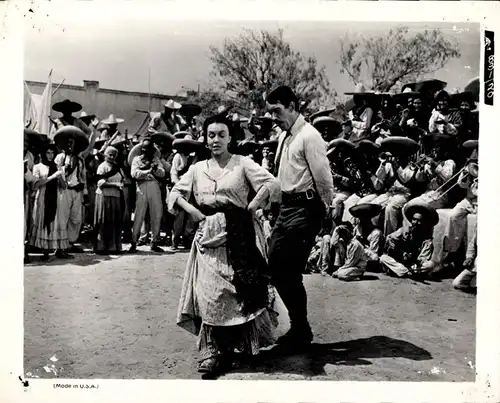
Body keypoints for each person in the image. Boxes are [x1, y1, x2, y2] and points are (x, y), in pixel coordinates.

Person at [168, 113, 281, 376]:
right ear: (205, 139)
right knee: (209, 292)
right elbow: (175, 193)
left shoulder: (242, 163)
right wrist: (192, 211)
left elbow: (271, 183)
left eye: (221, 134)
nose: (216, 140)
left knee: (239, 289)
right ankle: (211, 352)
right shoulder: (197, 169)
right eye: (211, 135)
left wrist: (252, 206)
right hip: (208, 235)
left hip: (239, 233)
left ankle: (238, 347)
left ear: (230, 137)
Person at [266, 86, 334, 348]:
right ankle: (300, 329)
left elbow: (324, 179)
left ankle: (300, 329)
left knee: (282, 268)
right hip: (286, 209)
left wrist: (327, 212)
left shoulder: (310, 136)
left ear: (292, 106)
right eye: (271, 111)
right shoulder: (285, 136)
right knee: (282, 270)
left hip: (304, 210)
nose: (273, 116)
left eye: (277, 110)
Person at [54, 126, 96, 253]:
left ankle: (70, 243)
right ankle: (59, 245)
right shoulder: (60, 158)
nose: (70, 146)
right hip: (64, 190)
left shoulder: (79, 159)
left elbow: (83, 177)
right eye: (68, 143)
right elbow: (57, 174)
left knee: (76, 219)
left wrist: (85, 193)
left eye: (72, 143)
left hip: (77, 191)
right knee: (62, 217)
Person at [28, 144, 70, 261]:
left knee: (55, 222)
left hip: (55, 197)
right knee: (43, 220)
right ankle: (44, 250)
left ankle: (57, 249)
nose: (50, 156)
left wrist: (60, 175)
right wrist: (52, 177)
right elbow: (36, 184)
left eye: (52, 153)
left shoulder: (56, 166)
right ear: (44, 154)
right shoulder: (38, 167)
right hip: (43, 196)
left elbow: (63, 186)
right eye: (48, 153)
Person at [380, 201, 438, 278]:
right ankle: (406, 272)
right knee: (383, 258)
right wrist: (399, 251)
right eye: (414, 219)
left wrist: (414, 260)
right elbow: (389, 238)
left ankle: (406, 271)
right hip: (400, 261)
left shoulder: (427, 240)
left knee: (429, 265)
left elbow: (423, 258)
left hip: (414, 264)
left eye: (419, 220)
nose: (416, 222)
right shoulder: (403, 230)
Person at [129, 139, 166, 253]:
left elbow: (162, 173)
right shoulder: (136, 160)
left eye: (149, 149)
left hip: (154, 186)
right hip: (142, 187)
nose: (146, 151)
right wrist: (148, 171)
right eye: (144, 148)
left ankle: (154, 242)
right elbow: (134, 173)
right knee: (139, 214)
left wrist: (155, 170)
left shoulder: (156, 159)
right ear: (142, 149)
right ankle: (134, 242)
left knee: (156, 213)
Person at [94, 146, 125, 254]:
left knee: (114, 222)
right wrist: (115, 184)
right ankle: (102, 246)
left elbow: (123, 179)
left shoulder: (118, 167)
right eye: (110, 155)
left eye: (114, 155)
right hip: (104, 197)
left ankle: (114, 246)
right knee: (104, 221)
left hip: (116, 197)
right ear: (105, 155)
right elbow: (100, 183)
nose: (112, 157)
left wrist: (121, 184)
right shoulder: (102, 166)